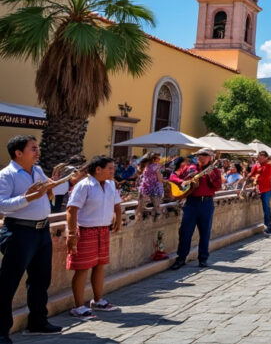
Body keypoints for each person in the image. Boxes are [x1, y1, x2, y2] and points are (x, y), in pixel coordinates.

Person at [0, 136, 63, 340]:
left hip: (42, 231)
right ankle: (1, 331)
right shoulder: (6, 175)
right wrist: (27, 198)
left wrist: (66, 180)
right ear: (18, 153)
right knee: (8, 283)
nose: (38, 152)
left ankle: (38, 321)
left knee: (40, 280)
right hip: (19, 232)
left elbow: (50, 189)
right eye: (33, 149)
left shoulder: (36, 171)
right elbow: (2, 205)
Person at [65, 156, 123, 318]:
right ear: (98, 169)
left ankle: (98, 300)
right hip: (85, 231)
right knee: (82, 268)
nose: (113, 171)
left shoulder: (111, 184)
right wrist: (71, 233)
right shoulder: (84, 186)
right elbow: (72, 210)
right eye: (110, 168)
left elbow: (117, 204)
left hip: (103, 230)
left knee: (99, 265)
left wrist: (118, 218)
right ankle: (78, 306)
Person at [169, 149, 223, 270]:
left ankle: (203, 259)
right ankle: (181, 258)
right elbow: (172, 176)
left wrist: (210, 177)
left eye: (205, 155)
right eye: (200, 155)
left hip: (207, 203)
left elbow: (218, 186)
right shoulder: (189, 168)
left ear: (211, 158)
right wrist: (182, 181)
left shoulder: (214, 171)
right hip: (191, 203)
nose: (202, 157)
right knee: (185, 232)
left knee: (205, 232)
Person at [240, 150, 271, 234]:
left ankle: (268, 226)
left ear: (266, 157)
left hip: (266, 190)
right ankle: (266, 225)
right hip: (258, 189)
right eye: (259, 155)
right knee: (265, 208)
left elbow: (267, 177)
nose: (259, 157)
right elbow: (251, 175)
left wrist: (255, 178)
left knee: (266, 208)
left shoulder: (269, 166)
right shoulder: (256, 165)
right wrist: (247, 176)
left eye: (262, 156)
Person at [136, 152, 165, 219]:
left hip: (145, 188)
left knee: (140, 207)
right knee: (157, 208)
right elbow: (160, 179)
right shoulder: (155, 166)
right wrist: (164, 181)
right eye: (158, 158)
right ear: (153, 159)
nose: (160, 160)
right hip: (155, 189)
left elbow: (139, 175)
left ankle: (137, 218)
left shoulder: (144, 166)